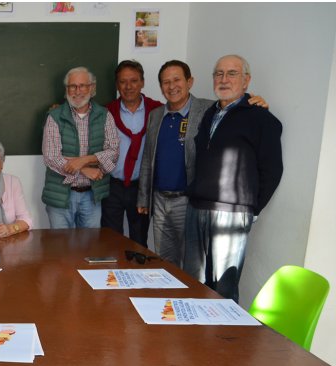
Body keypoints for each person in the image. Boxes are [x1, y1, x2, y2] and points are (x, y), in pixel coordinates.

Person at [183, 54, 283, 302]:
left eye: (232, 73)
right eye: (219, 73)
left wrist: (250, 209)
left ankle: (223, 329)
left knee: (223, 288)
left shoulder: (261, 118)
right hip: (197, 208)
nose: (224, 79)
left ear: (246, 81)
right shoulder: (210, 113)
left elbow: (272, 170)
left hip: (232, 214)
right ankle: (195, 328)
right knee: (193, 283)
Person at [41, 66, 120, 229]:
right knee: (60, 244)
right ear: (66, 89)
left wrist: (84, 160)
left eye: (82, 85)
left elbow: (113, 152)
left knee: (89, 244)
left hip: (92, 196)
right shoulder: (54, 117)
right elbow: (51, 157)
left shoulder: (105, 115)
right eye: (72, 86)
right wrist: (84, 169)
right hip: (60, 197)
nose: (77, 91)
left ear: (92, 88)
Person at [102, 60, 162, 246]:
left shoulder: (157, 110)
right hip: (112, 186)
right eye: (123, 82)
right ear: (117, 85)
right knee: (110, 240)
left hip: (141, 187)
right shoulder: (107, 111)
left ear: (142, 82)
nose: (128, 87)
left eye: (134, 81)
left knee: (139, 240)